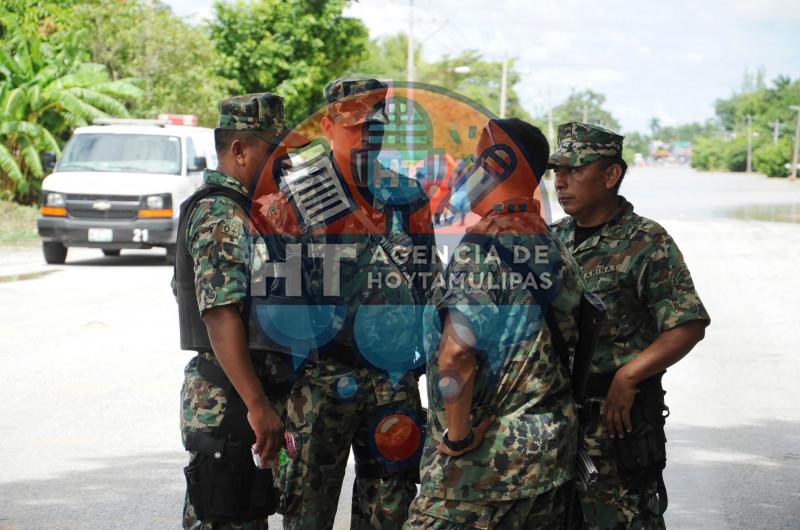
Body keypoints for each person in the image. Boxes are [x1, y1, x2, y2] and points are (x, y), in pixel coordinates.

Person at [405, 118, 586, 529]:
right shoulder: (553, 244)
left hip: (480, 473)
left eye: (478, 159)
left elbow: (456, 354)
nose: (468, 170)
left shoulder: (482, 251)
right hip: (546, 464)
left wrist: (457, 435)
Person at [277, 76, 437, 530]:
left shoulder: (407, 197)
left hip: (392, 382)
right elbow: (278, 304)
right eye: (357, 127)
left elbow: (430, 285)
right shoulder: (300, 198)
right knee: (307, 508)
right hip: (321, 384)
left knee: (392, 509)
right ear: (329, 125)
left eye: (377, 128)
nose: (369, 137)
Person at [550, 122, 711, 529]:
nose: (561, 182)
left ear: (610, 175)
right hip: (554, 422)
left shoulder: (646, 241)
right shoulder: (550, 241)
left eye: (574, 170)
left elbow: (687, 323)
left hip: (616, 423)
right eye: (557, 172)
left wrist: (630, 373)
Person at [175, 93, 296, 530]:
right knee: (224, 517)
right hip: (230, 402)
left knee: (246, 516)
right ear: (239, 150)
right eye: (273, 154)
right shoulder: (220, 215)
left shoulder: (249, 212)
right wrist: (257, 404)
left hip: (243, 399)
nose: (283, 166)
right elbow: (220, 315)